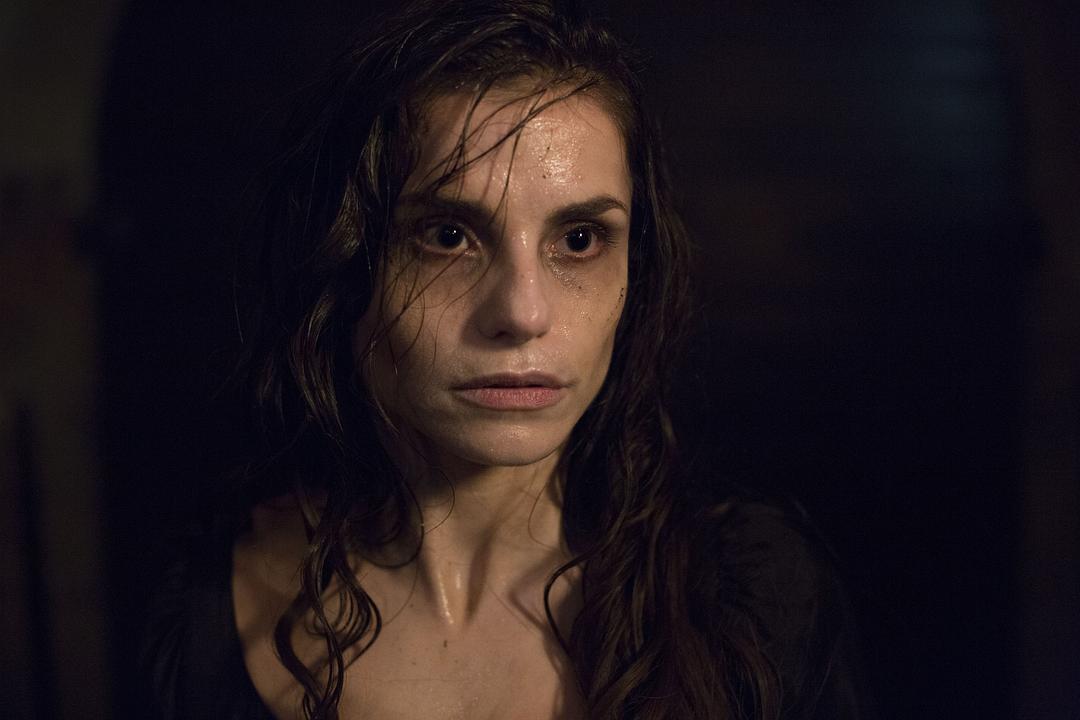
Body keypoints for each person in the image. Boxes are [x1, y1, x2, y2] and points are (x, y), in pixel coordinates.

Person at [144, 1, 868, 718]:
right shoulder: (209, 608)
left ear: (636, 270)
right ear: (346, 263)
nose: (523, 313)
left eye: (579, 240)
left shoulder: (750, 604)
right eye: (448, 236)